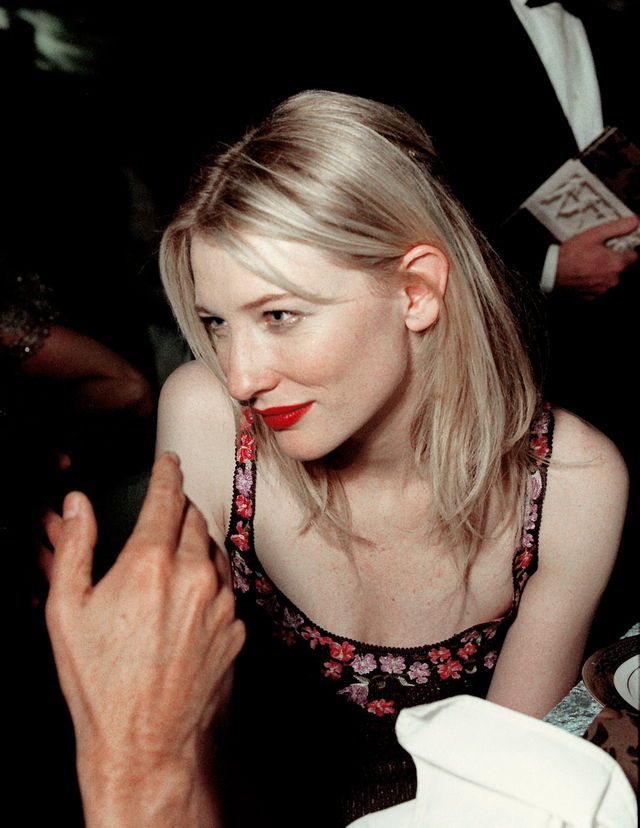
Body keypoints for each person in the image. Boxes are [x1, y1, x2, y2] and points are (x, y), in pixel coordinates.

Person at [46, 91, 628, 826]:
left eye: (280, 316)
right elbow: (179, 735)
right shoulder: (206, 417)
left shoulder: (573, 484)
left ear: (416, 290)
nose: (240, 376)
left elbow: (498, 793)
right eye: (218, 323)